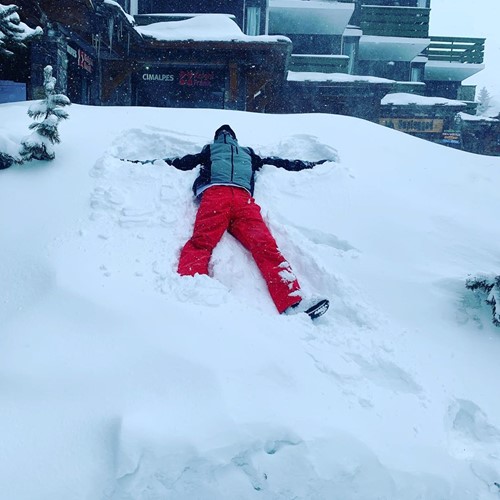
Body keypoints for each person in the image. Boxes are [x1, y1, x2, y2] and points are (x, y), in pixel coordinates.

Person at [165, 124, 330, 320]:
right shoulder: (233, 152)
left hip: (222, 198)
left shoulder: (229, 152)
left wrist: (311, 165)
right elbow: (279, 162)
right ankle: (290, 300)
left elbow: (178, 162)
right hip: (231, 198)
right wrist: (307, 164)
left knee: (248, 244)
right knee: (257, 245)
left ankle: (293, 302)